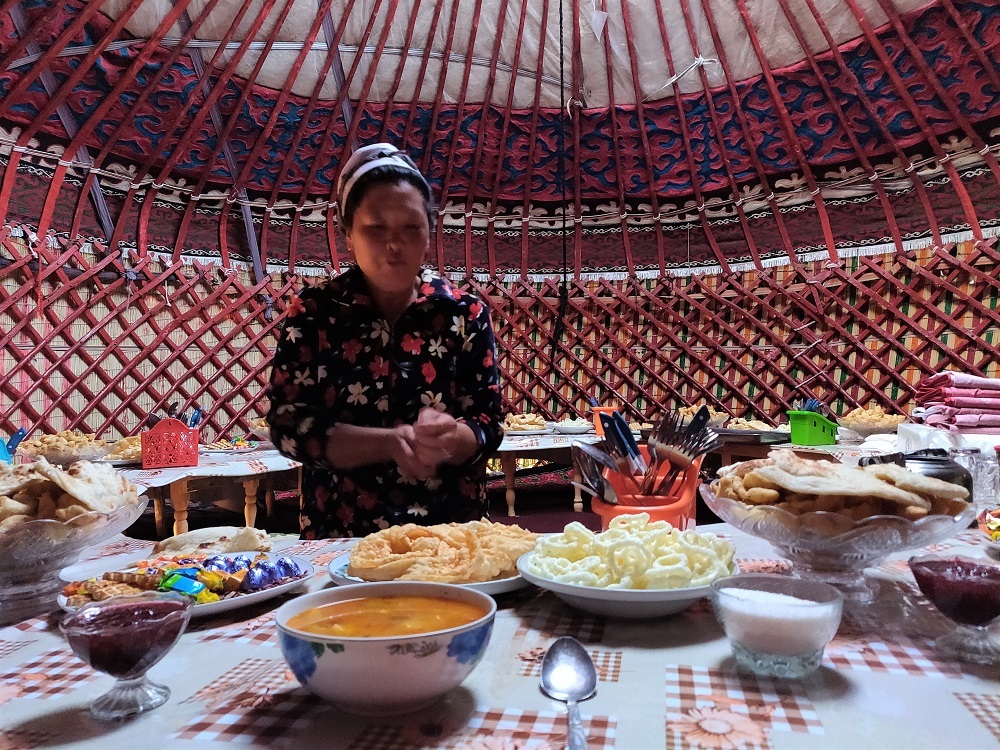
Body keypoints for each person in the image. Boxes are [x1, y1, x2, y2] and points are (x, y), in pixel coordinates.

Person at [267, 143, 504, 538]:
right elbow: (289, 425)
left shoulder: (464, 314)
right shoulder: (314, 313)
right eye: (376, 228)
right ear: (347, 233)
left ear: (430, 232)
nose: (394, 245)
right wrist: (391, 444)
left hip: (451, 537)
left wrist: (450, 437)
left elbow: (488, 423)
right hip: (342, 538)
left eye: (411, 228)